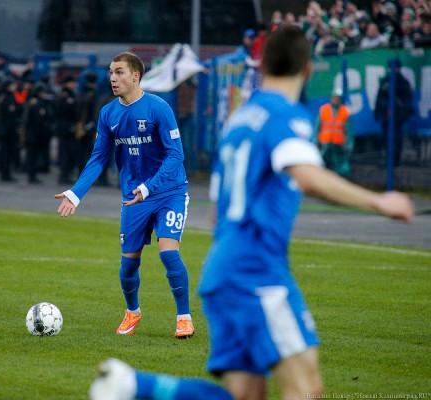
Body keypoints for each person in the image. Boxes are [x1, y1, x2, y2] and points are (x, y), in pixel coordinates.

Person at [89, 26, 414, 400]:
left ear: (261, 66)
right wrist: (379, 202)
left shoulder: (240, 119)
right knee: (306, 388)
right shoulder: (285, 115)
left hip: (221, 271)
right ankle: (137, 385)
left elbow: (218, 210)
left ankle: (138, 385)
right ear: (308, 69)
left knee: (246, 395)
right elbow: (308, 177)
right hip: (258, 272)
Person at [55, 52, 195, 339]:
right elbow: (98, 158)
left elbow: (176, 155)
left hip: (169, 191)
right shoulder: (108, 113)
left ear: (135, 76)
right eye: (111, 72)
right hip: (134, 197)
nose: (113, 78)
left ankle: (184, 317)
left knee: (169, 254)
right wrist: (75, 193)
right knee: (128, 263)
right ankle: (133, 311)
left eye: (119, 72)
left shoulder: (159, 108)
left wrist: (148, 187)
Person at [374, 60, 414, 168]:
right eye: (391, 68)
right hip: (386, 117)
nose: (393, 70)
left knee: (396, 139)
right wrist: (379, 112)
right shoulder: (385, 81)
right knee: (386, 139)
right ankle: (388, 160)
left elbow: (407, 100)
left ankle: (395, 161)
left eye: (395, 68)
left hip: (397, 118)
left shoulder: (403, 82)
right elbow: (379, 98)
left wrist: (402, 114)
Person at [316, 87, 352, 177]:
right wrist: (315, 142)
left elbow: (348, 131)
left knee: (341, 167)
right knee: (322, 164)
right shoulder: (324, 110)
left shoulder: (344, 111)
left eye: (337, 98)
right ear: (331, 98)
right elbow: (317, 127)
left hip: (338, 144)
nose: (335, 100)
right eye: (334, 97)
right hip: (325, 143)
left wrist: (349, 145)